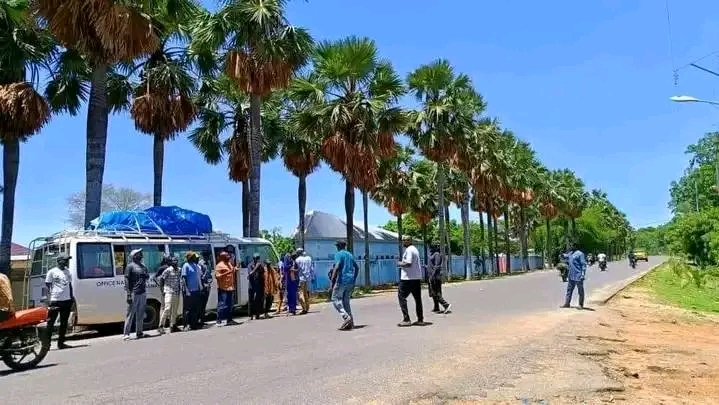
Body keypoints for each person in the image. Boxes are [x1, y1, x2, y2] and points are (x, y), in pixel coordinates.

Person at [44, 254, 75, 349]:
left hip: (66, 300)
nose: (66, 262)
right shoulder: (52, 272)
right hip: (55, 300)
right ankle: (46, 345)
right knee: (50, 323)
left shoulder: (68, 272)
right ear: (59, 261)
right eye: (65, 260)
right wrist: (49, 299)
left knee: (64, 323)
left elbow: (69, 285)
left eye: (67, 260)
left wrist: (72, 297)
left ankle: (61, 343)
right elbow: (47, 286)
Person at [329, 240, 358, 330]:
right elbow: (357, 267)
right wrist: (354, 279)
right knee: (346, 302)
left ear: (339, 246)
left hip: (342, 280)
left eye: (337, 246)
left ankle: (346, 317)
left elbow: (337, 267)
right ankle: (351, 322)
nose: (336, 247)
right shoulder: (349, 254)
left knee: (334, 299)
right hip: (350, 280)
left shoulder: (339, 254)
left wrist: (332, 282)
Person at [397, 235, 425, 327]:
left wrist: (400, 263)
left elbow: (408, 263)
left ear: (409, 241)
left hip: (407, 279)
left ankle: (406, 319)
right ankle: (420, 319)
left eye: (405, 240)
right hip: (416, 278)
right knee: (418, 299)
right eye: (403, 240)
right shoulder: (414, 249)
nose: (403, 242)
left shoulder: (409, 250)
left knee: (401, 297)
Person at [123, 249, 149, 340]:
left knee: (141, 314)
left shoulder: (143, 266)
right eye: (139, 254)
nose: (141, 255)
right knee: (130, 314)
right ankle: (126, 334)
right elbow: (126, 279)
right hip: (134, 292)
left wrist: (145, 274)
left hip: (142, 292)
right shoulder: (130, 266)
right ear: (134, 256)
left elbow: (147, 276)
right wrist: (128, 294)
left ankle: (139, 332)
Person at [157, 255, 181, 334]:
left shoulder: (179, 270)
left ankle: (173, 325)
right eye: (173, 260)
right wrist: (162, 290)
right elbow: (161, 279)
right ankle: (161, 326)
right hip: (168, 292)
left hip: (176, 292)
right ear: (171, 262)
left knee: (175, 310)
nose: (175, 262)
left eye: (176, 260)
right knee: (167, 308)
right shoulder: (168, 270)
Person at [181, 251, 203, 330]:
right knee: (187, 309)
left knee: (195, 308)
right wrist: (186, 290)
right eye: (193, 257)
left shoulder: (195, 265)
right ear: (190, 257)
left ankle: (193, 324)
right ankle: (186, 325)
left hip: (196, 290)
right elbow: (184, 278)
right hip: (189, 291)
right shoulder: (185, 266)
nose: (195, 258)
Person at [561, 243, 587, 309]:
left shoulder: (580, 254)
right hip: (571, 275)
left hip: (578, 275)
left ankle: (580, 305)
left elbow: (583, 264)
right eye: (570, 246)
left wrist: (583, 274)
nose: (571, 247)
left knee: (580, 291)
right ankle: (567, 303)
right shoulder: (570, 253)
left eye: (572, 246)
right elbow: (565, 256)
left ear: (575, 246)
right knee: (569, 290)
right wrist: (561, 254)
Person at [427, 244, 451, 314]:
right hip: (431, 276)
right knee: (432, 293)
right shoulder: (432, 254)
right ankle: (436, 307)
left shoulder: (437, 254)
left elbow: (437, 266)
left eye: (431, 247)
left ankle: (446, 305)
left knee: (436, 293)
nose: (430, 248)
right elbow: (431, 265)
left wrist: (432, 275)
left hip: (435, 277)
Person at [214, 251, 236, 327]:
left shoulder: (229, 264)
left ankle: (229, 320)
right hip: (223, 288)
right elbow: (217, 276)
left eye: (228, 255)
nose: (229, 256)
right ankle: (218, 320)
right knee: (222, 305)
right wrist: (228, 272)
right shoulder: (219, 266)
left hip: (230, 287)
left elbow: (232, 269)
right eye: (226, 256)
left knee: (230, 305)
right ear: (222, 257)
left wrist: (235, 269)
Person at [294, 248, 314, 314]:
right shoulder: (309, 258)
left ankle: (304, 308)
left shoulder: (297, 260)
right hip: (308, 278)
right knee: (306, 293)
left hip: (301, 278)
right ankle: (307, 307)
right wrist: (312, 277)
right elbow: (311, 269)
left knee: (300, 293)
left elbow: (296, 270)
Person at [195, 256, 212, 328]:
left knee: (203, 305)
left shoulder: (205, 268)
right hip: (199, 289)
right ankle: (197, 320)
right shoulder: (195, 268)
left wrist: (208, 283)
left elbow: (210, 277)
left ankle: (202, 320)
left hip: (205, 288)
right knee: (198, 305)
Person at [247, 253, 265, 320]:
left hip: (258, 285)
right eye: (255, 259)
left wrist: (259, 267)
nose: (256, 260)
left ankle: (257, 314)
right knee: (251, 300)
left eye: (257, 259)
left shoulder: (260, 265)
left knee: (258, 300)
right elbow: (250, 274)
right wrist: (255, 268)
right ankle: (251, 315)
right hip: (252, 285)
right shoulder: (250, 265)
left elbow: (263, 272)